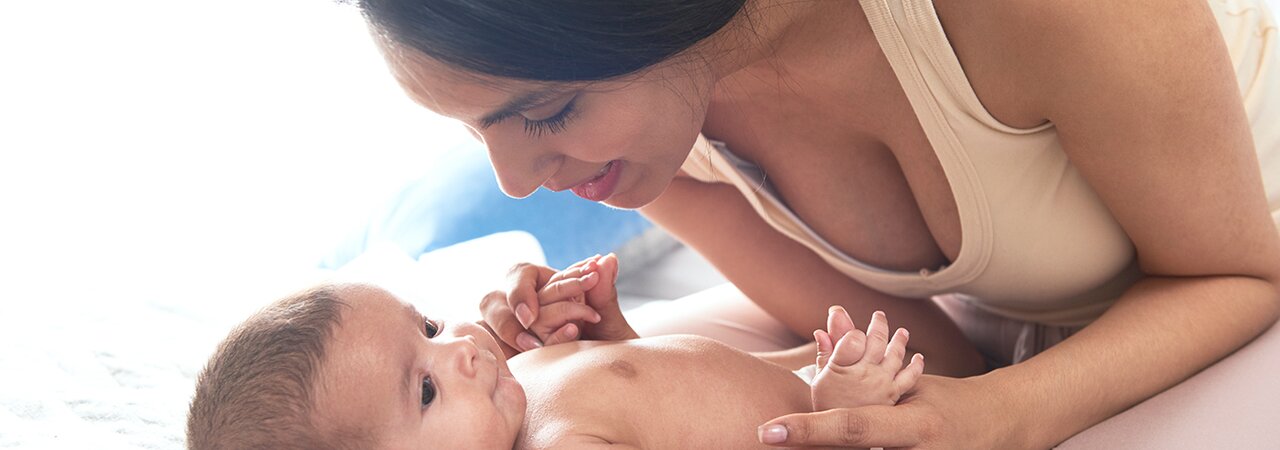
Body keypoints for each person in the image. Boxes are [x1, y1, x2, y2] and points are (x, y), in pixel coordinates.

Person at [347, 0, 1280, 447]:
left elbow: (1243, 275)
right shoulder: (650, 151)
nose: (517, 182)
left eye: (545, 112)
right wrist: (605, 359)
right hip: (1054, 317)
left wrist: (1009, 416)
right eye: (479, 131)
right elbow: (930, 361)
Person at [185, 255, 925, 449]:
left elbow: (677, 410)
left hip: (820, 375)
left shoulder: (514, 390)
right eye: (424, 392)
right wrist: (832, 420)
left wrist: (618, 339)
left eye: (431, 329)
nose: (464, 351)